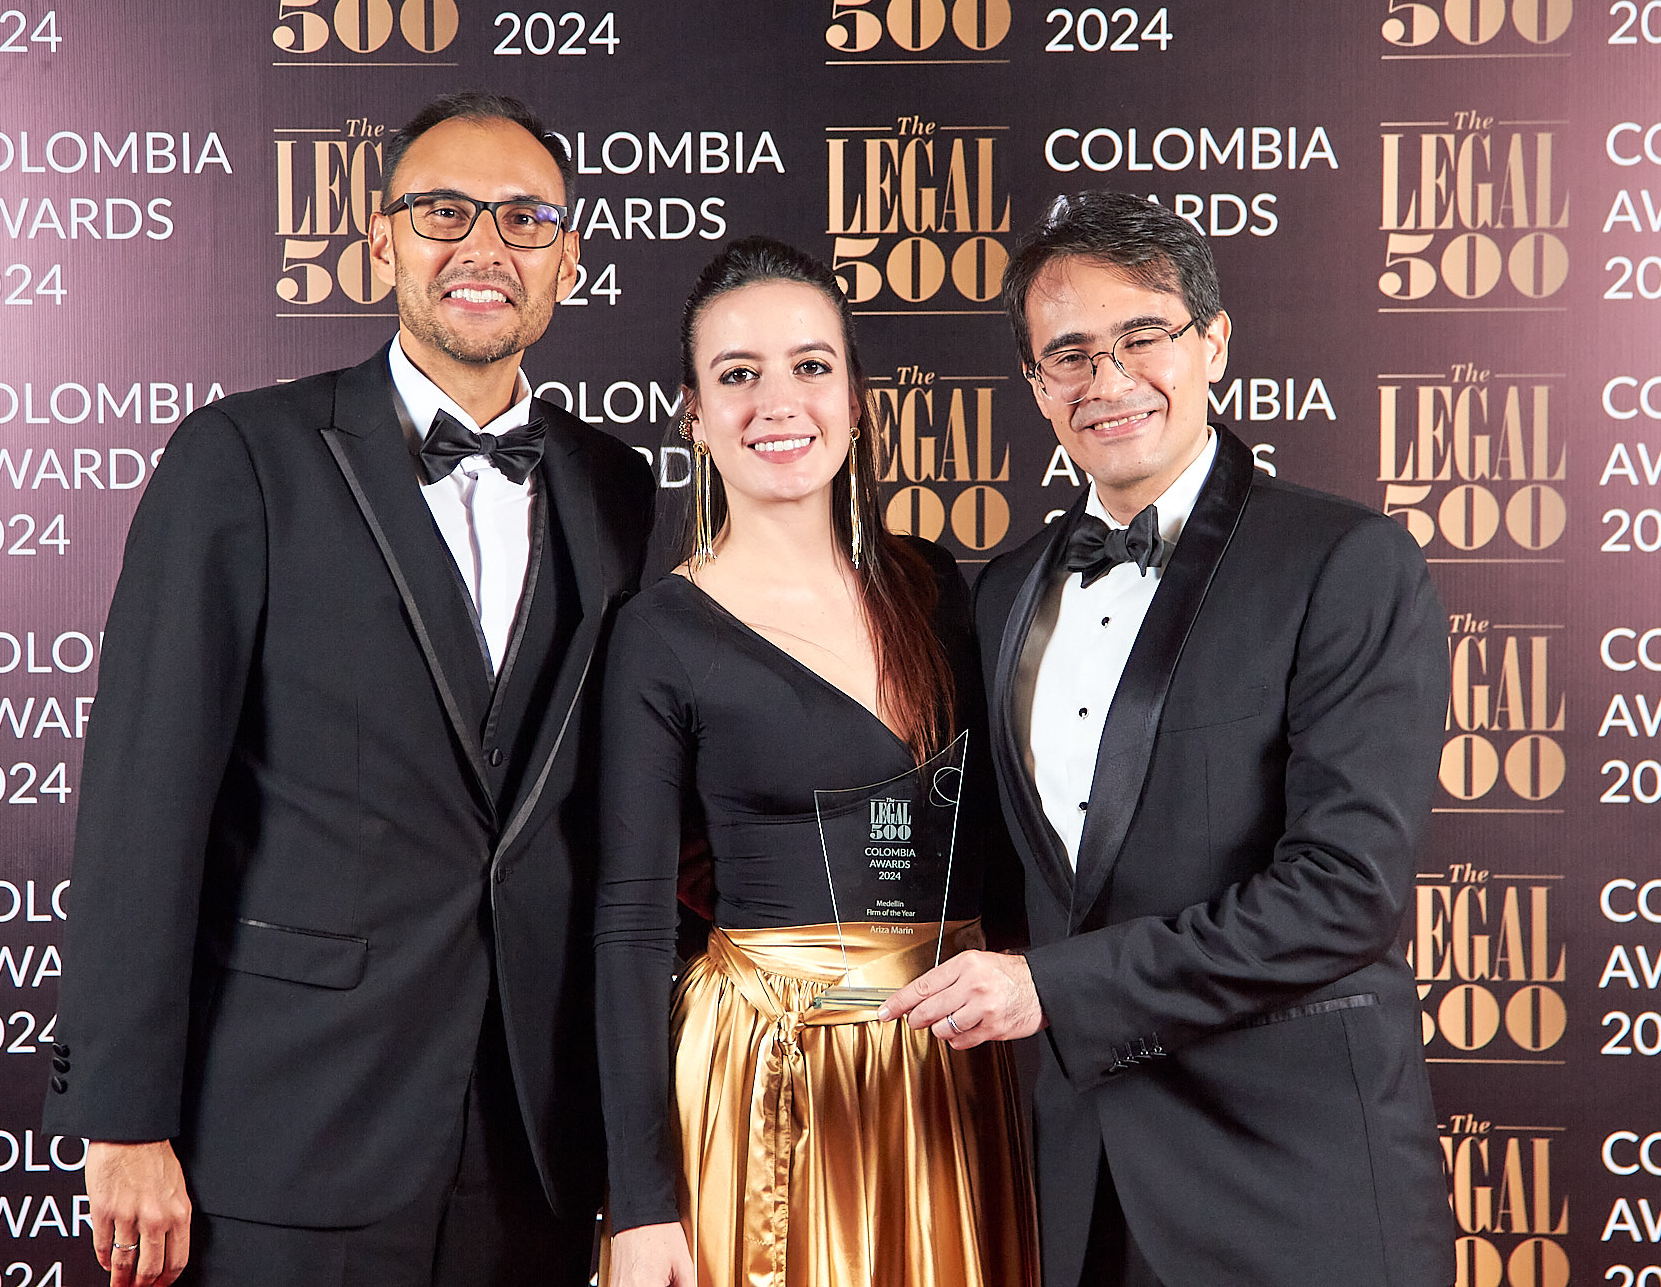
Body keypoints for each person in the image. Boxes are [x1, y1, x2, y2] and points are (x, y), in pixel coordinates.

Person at [42, 90, 654, 1287]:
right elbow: (142, 803)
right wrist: (120, 1116)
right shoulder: (241, 460)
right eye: (443, 212)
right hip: (287, 1125)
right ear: (380, 243)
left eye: (524, 219)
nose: (484, 246)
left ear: (568, 260)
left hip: (536, 1141)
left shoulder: (619, 489)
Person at [880, 192, 1455, 1286]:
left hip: (1290, 1183)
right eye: (1069, 354)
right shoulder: (1003, 591)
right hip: (1073, 1181)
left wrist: (1058, 990)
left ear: (1213, 344)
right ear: (1035, 385)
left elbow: (1343, 893)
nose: (1107, 380)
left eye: (1142, 336)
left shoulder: (1344, 562)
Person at [593, 237, 1038, 1287]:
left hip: (956, 1067)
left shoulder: (935, 585)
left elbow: (1001, 852)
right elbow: (630, 925)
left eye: (810, 365)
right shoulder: (660, 632)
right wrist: (641, 1201)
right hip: (769, 1078)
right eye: (737, 375)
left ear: (855, 397)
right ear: (694, 416)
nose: (777, 403)